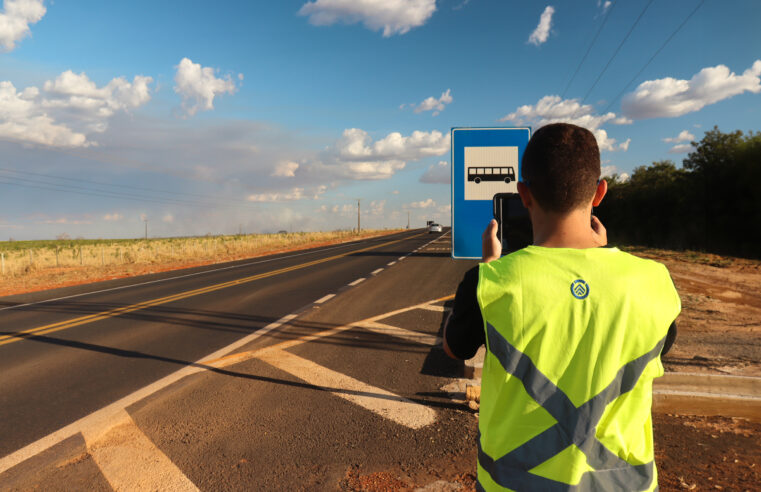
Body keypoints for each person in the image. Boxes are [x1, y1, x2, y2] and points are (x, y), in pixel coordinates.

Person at [444, 123, 680, 491]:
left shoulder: (488, 283)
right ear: (599, 192)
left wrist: (489, 267)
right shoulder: (653, 282)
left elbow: (453, 348)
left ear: (523, 194)